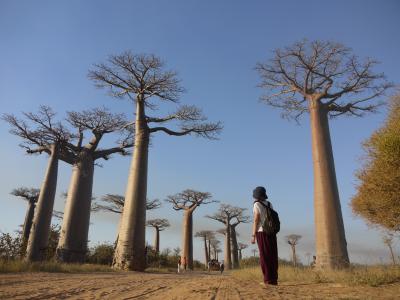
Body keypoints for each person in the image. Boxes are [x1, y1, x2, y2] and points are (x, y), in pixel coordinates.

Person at [251, 186, 278, 286]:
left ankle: (267, 280)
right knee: (272, 255)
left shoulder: (256, 204)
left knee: (264, 256)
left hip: (262, 232)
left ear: (256, 196)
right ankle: (273, 280)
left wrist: (253, 235)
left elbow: (256, 220)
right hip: (272, 232)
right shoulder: (270, 204)